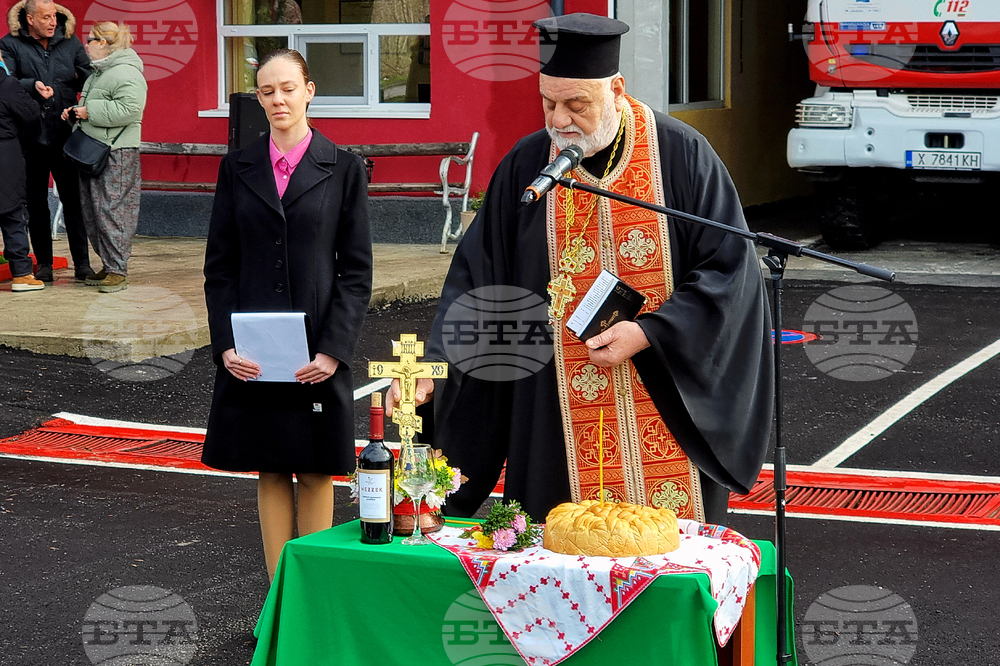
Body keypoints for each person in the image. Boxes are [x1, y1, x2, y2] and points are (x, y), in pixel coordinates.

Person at [388, 13, 774, 526]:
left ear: (616, 89)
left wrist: (649, 332)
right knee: (556, 564)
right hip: (554, 412)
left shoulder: (681, 155)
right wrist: (436, 367)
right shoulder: (528, 167)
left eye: (576, 104)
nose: (560, 119)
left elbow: (730, 272)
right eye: (548, 102)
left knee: (665, 566)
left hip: (660, 398)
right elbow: (479, 281)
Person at [202, 49, 372, 582]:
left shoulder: (343, 167)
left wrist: (333, 350)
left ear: (309, 90)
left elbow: (356, 272)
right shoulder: (237, 167)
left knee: (318, 469)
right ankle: (278, 598)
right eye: (267, 91)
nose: (278, 99)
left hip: (317, 349)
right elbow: (220, 267)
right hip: (255, 351)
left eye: (287, 88)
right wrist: (225, 344)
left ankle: (312, 599)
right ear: (258, 97)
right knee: (271, 466)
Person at [1, 0, 91, 282]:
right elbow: (7, 80)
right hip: (31, 136)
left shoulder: (69, 40)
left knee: (73, 202)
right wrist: (33, 86)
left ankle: (83, 264)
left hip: (66, 135)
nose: (53, 22)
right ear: (29, 19)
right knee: (36, 204)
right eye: (46, 17)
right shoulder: (10, 44)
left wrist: (76, 85)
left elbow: (86, 75)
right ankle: (44, 265)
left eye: (55, 16)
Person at [61, 22, 146, 293]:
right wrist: (75, 112)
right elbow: (100, 107)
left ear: (106, 44)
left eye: (91, 40)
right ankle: (110, 265)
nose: (85, 44)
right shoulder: (100, 73)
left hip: (116, 151)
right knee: (94, 212)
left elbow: (131, 109)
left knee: (113, 211)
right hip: (98, 149)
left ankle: (118, 270)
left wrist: (89, 110)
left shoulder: (125, 72)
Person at [1, 50, 43, 292]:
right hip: (6, 157)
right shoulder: (8, 85)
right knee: (13, 214)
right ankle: (21, 274)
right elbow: (30, 114)